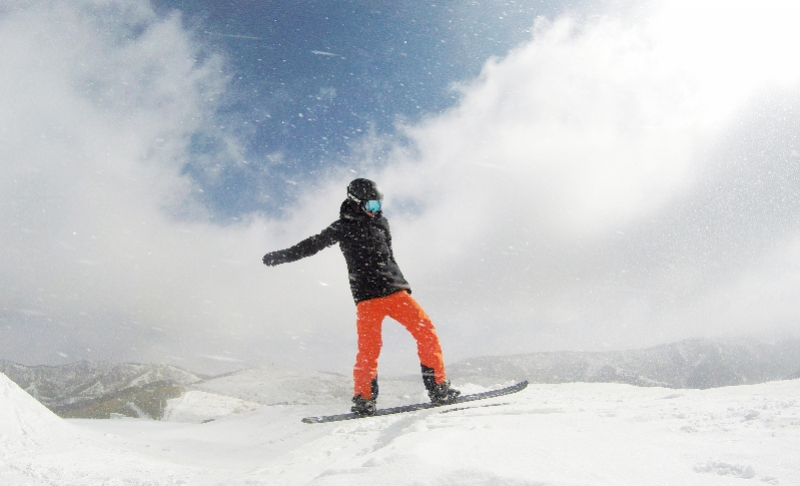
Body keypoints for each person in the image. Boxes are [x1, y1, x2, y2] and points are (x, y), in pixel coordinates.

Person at [262, 178, 460, 415]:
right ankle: (363, 399)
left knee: (426, 332)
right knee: (369, 350)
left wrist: (402, 284)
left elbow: (389, 256)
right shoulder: (342, 227)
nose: (376, 211)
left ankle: (438, 389)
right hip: (367, 298)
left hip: (396, 292)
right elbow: (312, 245)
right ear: (356, 202)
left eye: (379, 205)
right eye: (372, 205)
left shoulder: (382, 223)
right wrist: (282, 256)